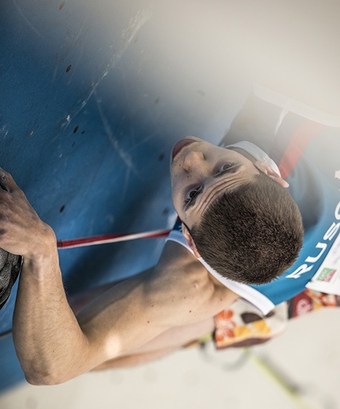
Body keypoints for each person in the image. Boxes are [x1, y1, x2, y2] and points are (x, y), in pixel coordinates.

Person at [0, 136, 304, 384]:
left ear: (191, 243)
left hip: (280, 296)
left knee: (66, 322)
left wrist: (41, 253)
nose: (191, 158)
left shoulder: (193, 285)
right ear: (268, 171)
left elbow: (52, 365)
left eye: (193, 194)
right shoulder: (297, 124)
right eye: (225, 168)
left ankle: (222, 327)